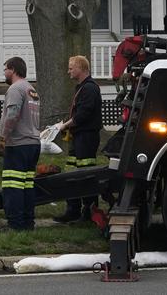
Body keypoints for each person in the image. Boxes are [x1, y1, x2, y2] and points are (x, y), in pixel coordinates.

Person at [53, 55, 103, 223]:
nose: (68, 71)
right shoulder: (82, 88)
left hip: (87, 137)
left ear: (81, 68)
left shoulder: (90, 88)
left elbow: (83, 115)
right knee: (72, 173)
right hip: (79, 136)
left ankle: (89, 213)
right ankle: (73, 210)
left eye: (71, 68)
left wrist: (65, 125)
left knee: (86, 174)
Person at [0, 57, 41, 231]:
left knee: (12, 186)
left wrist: (3, 138)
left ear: (13, 69)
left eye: (5, 69)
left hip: (18, 144)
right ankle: (28, 223)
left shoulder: (15, 89)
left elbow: (13, 114)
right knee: (27, 186)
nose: (4, 73)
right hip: (33, 143)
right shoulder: (31, 89)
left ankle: (14, 225)